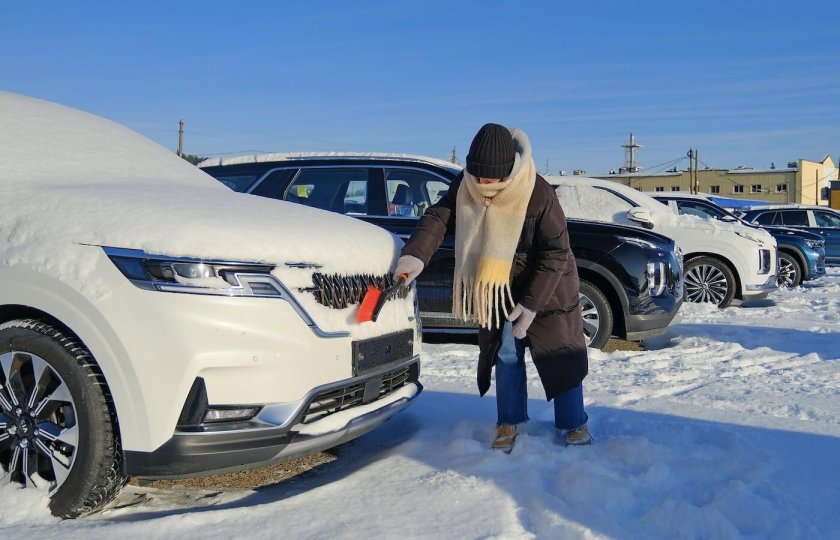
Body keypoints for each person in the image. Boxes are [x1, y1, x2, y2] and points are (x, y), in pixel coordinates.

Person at [394, 123, 591, 451]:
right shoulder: (466, 183)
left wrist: (531, 304)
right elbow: (439, 217)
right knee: (506, 353)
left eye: (490, 180)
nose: (482, 185)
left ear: (507, 171)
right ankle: (508, 422)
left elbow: (556, 252)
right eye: (477, 177)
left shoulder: (537, 192)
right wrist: (415, 255)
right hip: (498, 288)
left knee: (561, 355)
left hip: (548, 289)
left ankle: (574, 424)